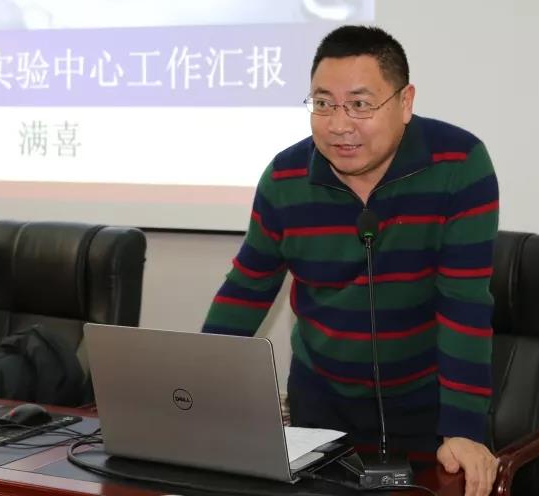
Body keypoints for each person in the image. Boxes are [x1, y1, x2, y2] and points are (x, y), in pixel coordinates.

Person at [202, 25, 499, 496]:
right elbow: (247, 287)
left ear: (405, 102)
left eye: (360, 104)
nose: (339, 124)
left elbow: (464, 301)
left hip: (427, 406)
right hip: (319, 404)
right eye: (323, 103)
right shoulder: (285, 178)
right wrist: (194, 393)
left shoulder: (459, 165)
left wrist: (463, 428)